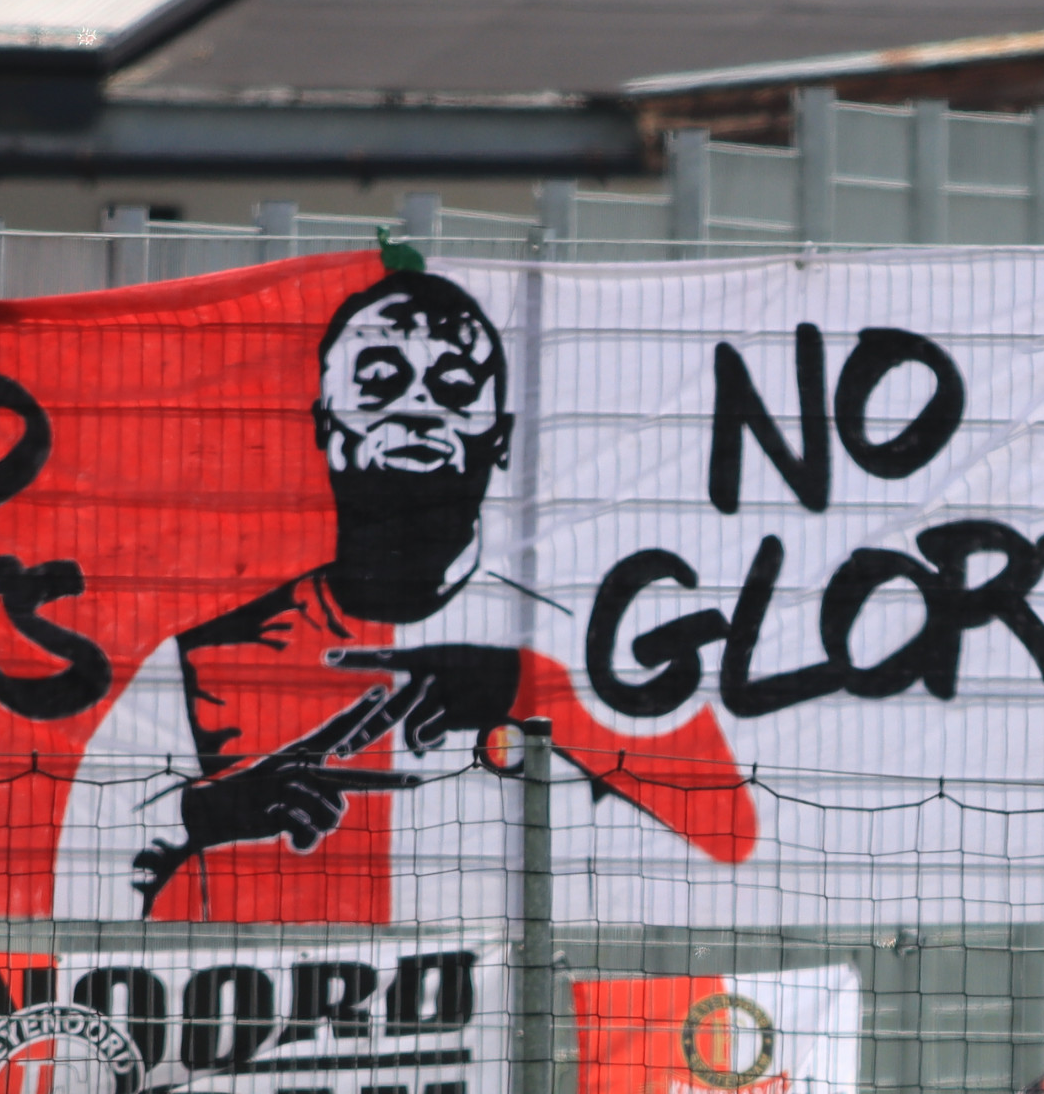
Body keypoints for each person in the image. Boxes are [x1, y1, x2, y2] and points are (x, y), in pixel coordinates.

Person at [55, 267, 749, 921]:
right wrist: (205, 814)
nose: (417, 409)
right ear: (325, 427)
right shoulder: (206, 658)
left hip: (515, 1034)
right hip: (264, 1038)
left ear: (499, 438)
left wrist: (531, 687)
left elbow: (729, 839)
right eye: (381, 383)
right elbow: (75, 877)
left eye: (453, 387)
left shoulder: (576, 640)